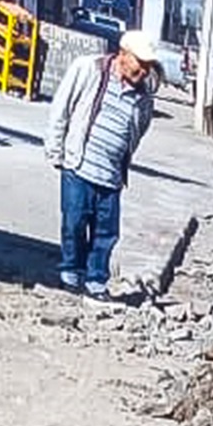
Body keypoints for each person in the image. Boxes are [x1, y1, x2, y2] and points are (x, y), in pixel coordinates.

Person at [45, 30, 159, 300]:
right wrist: (55, 150)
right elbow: (61, 107)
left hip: (111, 175)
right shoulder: (89, 70)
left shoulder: (144, 99)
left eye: (148, 66)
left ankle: (96, 281)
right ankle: (71, 274)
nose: (144, 71)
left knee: (106, 233)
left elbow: (138, 131)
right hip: (79, 164)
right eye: (139, 63)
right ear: (123, 54)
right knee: (74, 222)